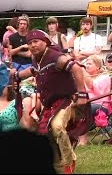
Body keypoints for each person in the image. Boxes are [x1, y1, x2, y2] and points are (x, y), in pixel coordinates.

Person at [14, 30, 89, 174]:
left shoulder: (57, 57)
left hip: (67, 99)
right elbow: (33, 70)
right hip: (50, 103)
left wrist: (82, 94)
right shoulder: (37, 59)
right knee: (44, 132)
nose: (32, 45)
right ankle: (54, 160)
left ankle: (69, 161)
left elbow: (77, 69)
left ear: (45, 41)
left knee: (56, 126)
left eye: (36, 41)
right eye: (30, 43)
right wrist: (17, 76)